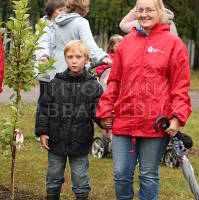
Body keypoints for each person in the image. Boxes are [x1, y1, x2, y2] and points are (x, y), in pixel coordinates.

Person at [96, 0, 192, 199]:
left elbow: (180, 86)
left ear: (159, 12)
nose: (144, 14)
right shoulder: (127, 43)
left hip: (155, 124)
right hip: (125, 119)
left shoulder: (174, 44)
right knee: (121, 174)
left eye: (149, 10)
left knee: (148, 175)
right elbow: (113, 80)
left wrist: (176, 117)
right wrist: (105, 110)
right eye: (140, 10)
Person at [35, 40, 103, 200]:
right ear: (65, 58)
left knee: (80, 179)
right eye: (70, 56)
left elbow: (98, 110)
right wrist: (42, 132)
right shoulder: (55, 83)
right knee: (53, 176)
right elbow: (44, 109)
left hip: (80, 141)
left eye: (78, 57)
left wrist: (105, 121)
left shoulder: (93, 85)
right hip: (56, 140)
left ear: (86, 59)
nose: (74, 60)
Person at [51, 0, 112, 75]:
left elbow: (52, 45)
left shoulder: (57, 22)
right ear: (84, 7)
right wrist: (103, 57)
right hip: (74, 69)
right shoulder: (81, 22)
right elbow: (89, 44)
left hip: (56, 68)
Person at [34, 0, 65, 140]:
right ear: (52, 11)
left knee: (59, 100)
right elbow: (43, 41)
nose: (62, 12)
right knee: (44, 99)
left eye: (64, 10)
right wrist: (43, 56)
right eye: (59, 10)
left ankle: (54, 128)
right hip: (46, 70)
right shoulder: (44, 25)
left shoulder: (64, 25)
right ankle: (39, 130)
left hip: (59, 69)